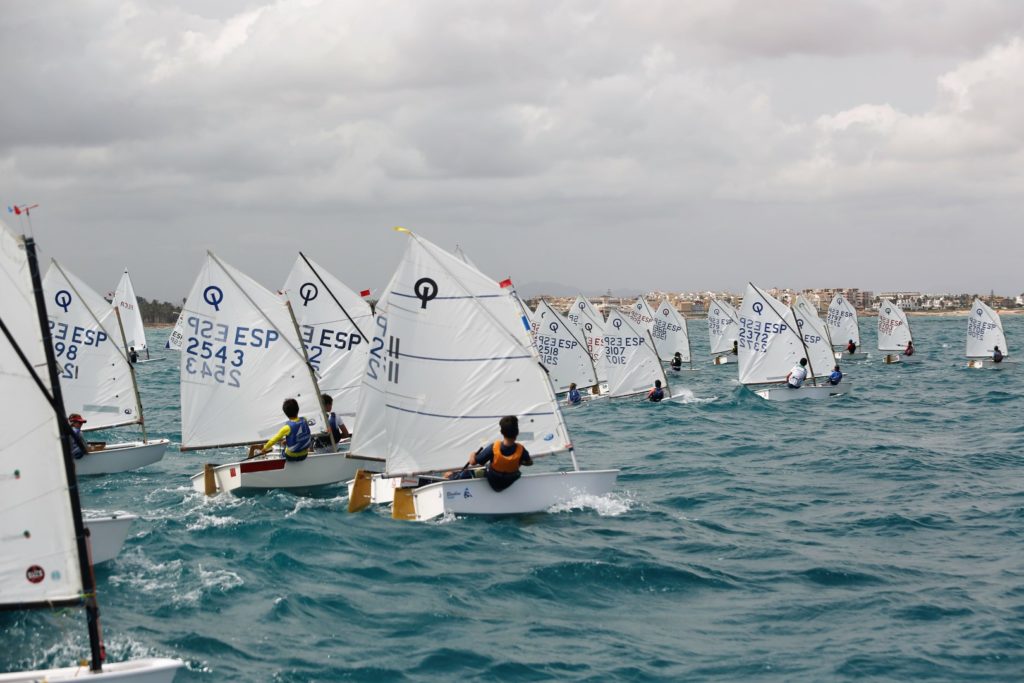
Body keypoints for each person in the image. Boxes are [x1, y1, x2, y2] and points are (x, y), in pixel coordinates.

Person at [467, 415, 533, 492]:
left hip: (493, 481)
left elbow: (473, 462)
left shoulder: (494, 447)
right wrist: (517, 462)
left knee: (477, 470)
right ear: (517, 433)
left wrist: (472, 454)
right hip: (509, 481)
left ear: (501, 432)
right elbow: (529, 463)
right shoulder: (521, 450)